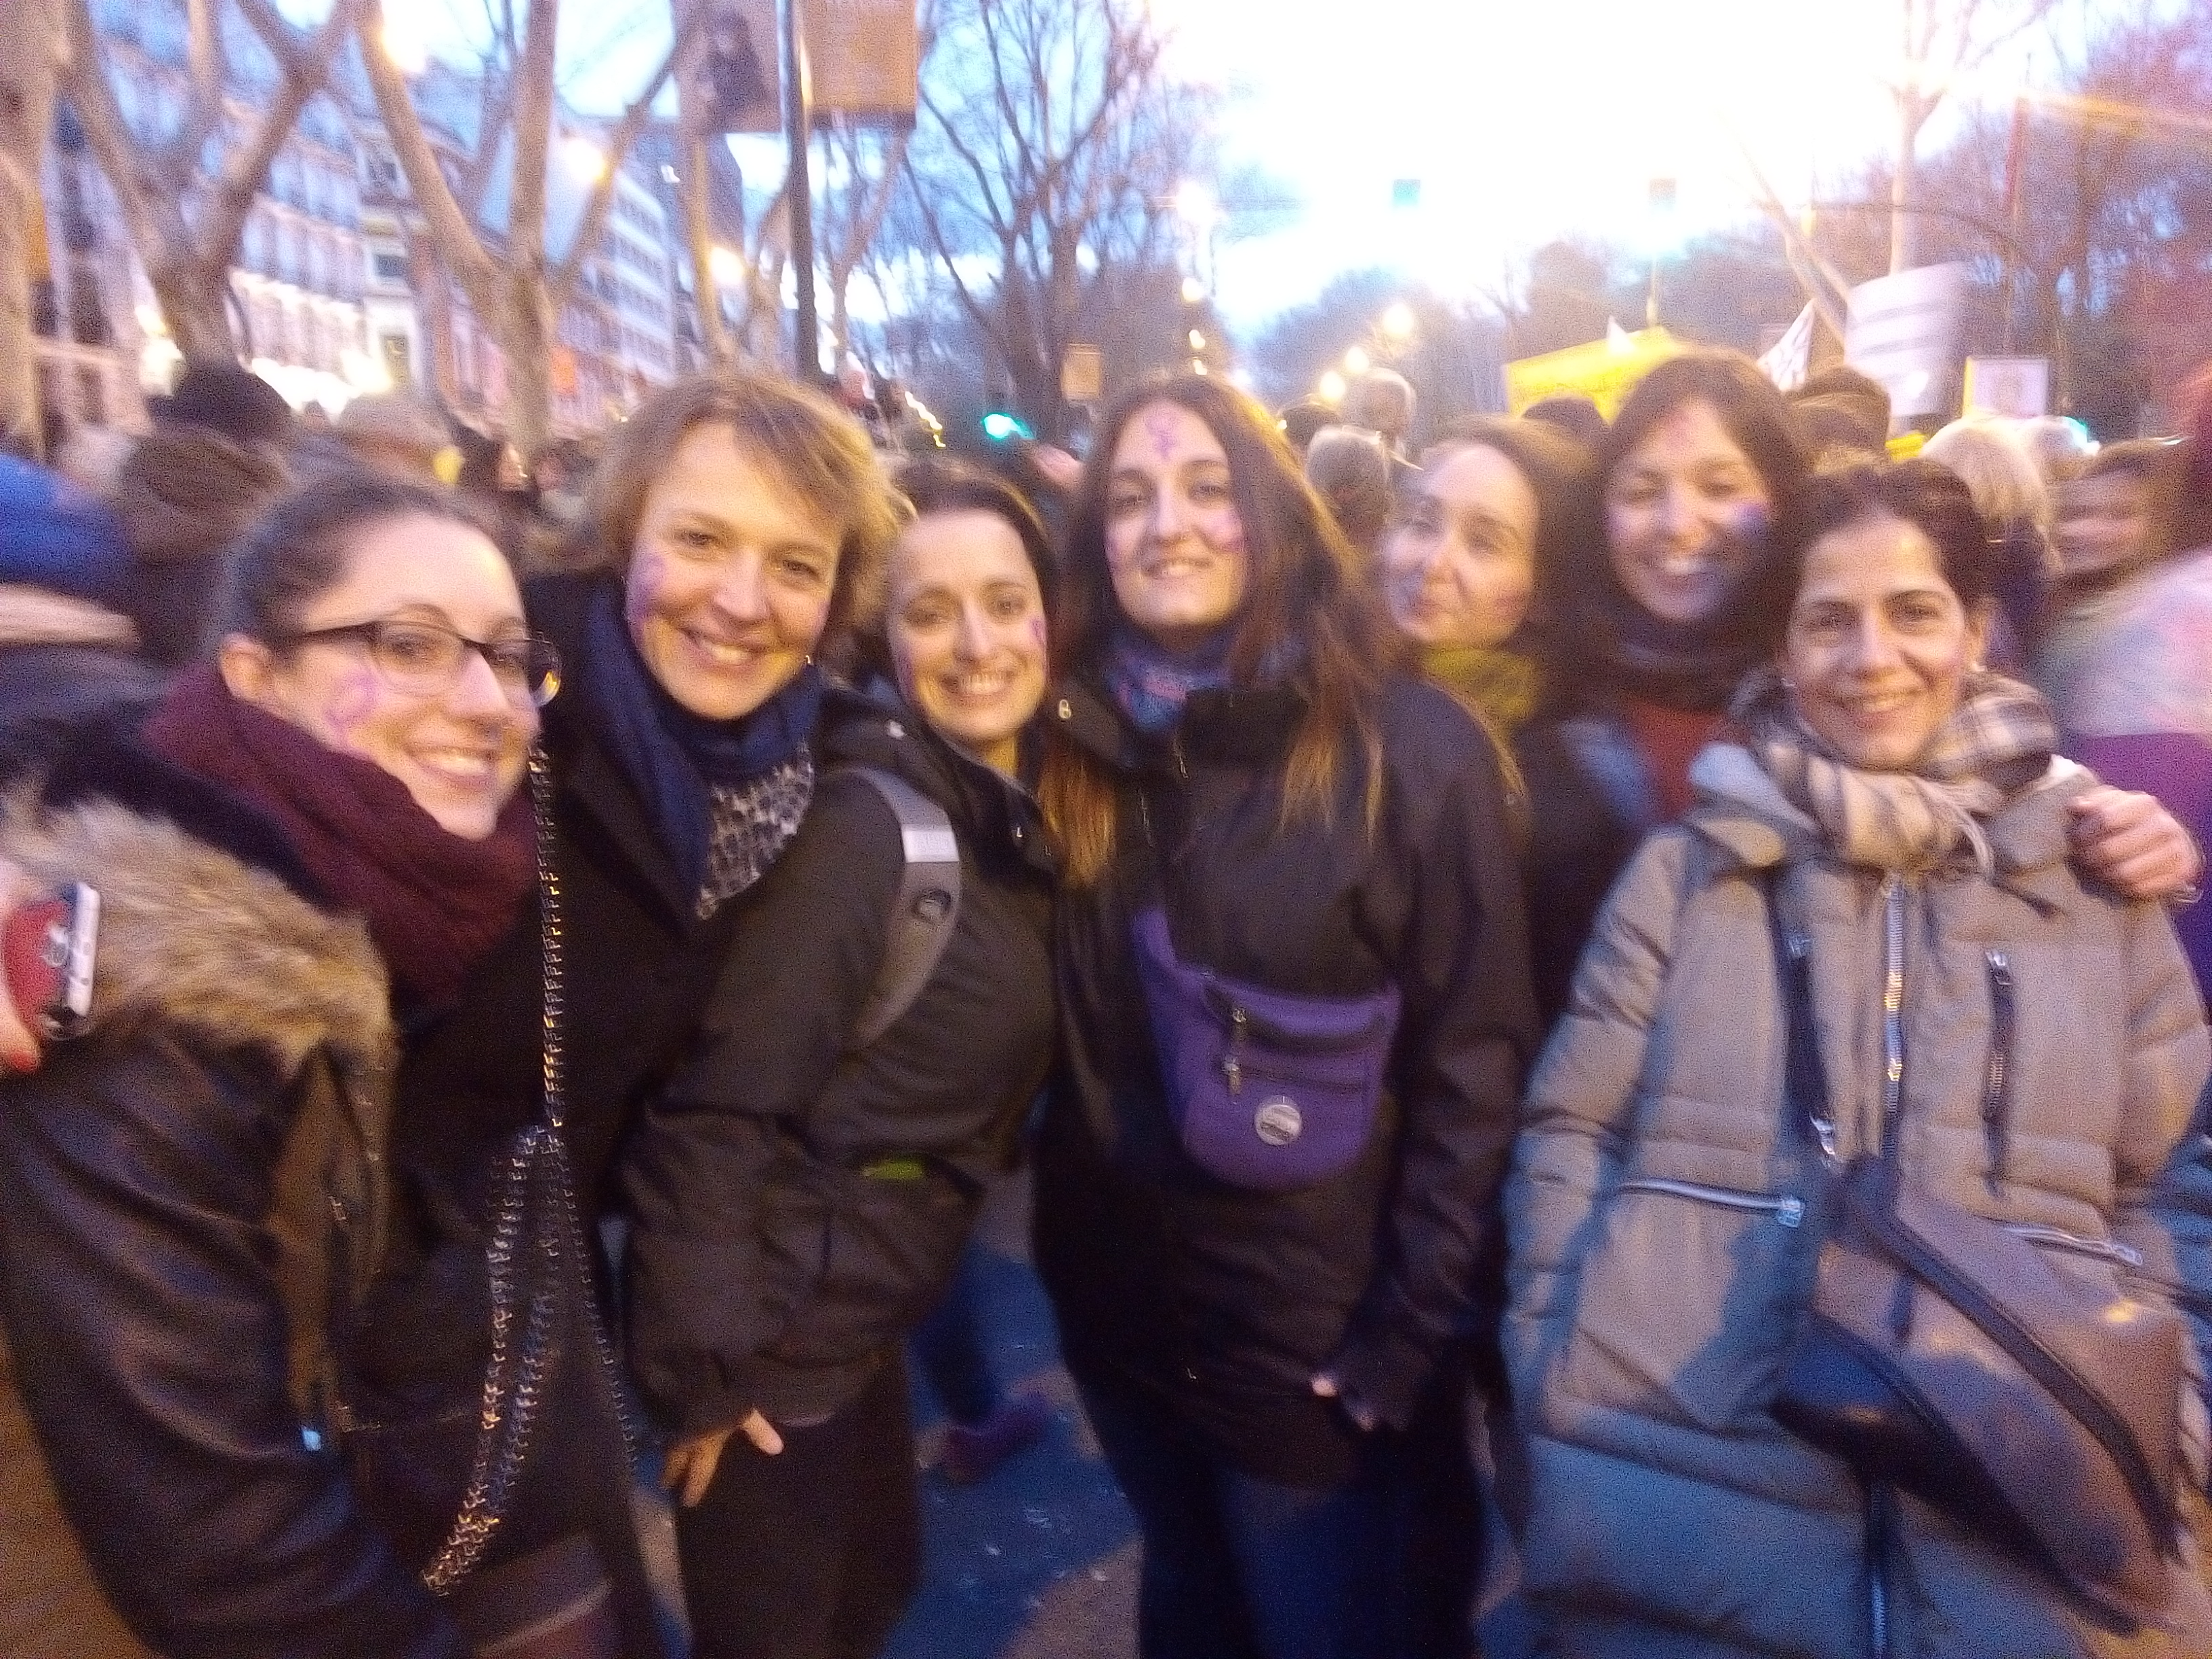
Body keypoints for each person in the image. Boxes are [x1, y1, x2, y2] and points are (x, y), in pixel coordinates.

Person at [1502, 459, 2212, 1657]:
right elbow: (1571, 1134)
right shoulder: (1684, 876)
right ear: (1781, 649)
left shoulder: (2092, 879)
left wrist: (2172, 1420)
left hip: (2034, 1540)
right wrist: (1553, 1368)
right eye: (1826, 619)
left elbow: (2181, 1174)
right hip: (1674, 1521)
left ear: (1977, 628)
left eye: (1911, 611)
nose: (1869, 656)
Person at [1032, 375, 1539, 1659]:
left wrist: (1404, 1334)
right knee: (1190, 1610)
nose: (1169, 525)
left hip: (1314, 1358)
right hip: (1123, 1333)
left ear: (1270, 512)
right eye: (1131, 498)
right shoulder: (1060, 745)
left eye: (1207, 488)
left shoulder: (1410, 749)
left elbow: (1473, 1070)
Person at [0, 472, 547, 1659]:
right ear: (254, 675)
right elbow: (204, 1519)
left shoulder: (377, 909)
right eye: (408, 645)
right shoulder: (163, 976)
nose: (484, 699)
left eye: (509, 659)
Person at [616, 443, 1059, 1655]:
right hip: (772, 1345)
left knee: (870, 1588)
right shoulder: (869, 831)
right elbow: (716, 1106)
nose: (975, 642)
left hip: (857, 1312)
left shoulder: (1003, 811)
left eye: (1005, 603)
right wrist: (707, 1370)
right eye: (929, 612)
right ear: (882, 643)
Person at [1524, 350, 2197, 1029]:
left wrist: (2123, 834)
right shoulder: (1547, 706)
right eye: (1641, 491)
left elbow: (2006, 795)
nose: (1678, 522)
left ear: (1783, 501)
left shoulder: (1878, 693)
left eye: (1721, 487)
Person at [2035, 438, 2212, 997]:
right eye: (2079, 513)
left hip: (2142, 884)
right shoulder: (2062, 608)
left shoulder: (2170, 616)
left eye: (2120, 515)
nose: (2091, 531)